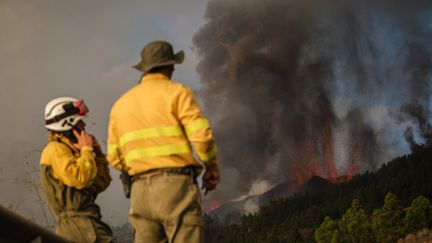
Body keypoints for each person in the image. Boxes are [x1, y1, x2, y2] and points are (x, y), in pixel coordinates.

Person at [107, 40, 220, 243]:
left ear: (145, 69)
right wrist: (211, 167)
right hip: (176, 187)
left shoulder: (120, 105)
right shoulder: (178, 93)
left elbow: (114, 157)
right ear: (170, 66)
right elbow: (201, 136)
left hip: (139, 193)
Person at [40, 97, 113, 242]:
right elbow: (80, 179)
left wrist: (98, 154)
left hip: (86, 223)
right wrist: (86, 150)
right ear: (67, 124)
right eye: (79, 121)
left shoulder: (71, 152)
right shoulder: (55, 150)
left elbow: (100, 184)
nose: (84, 125)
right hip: (80, 227)